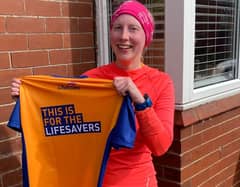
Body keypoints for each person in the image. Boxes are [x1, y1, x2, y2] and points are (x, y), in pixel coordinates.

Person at [10, 0, 175, 186]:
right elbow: (64, 122)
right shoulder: (91, 79)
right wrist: (29, 98)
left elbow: (160, 146)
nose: (124, 36)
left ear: (146, 37)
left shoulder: (161, 82)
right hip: (91, 179)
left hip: (137, 180)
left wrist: (139, 100)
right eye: (118, 28)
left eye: (133, 29)